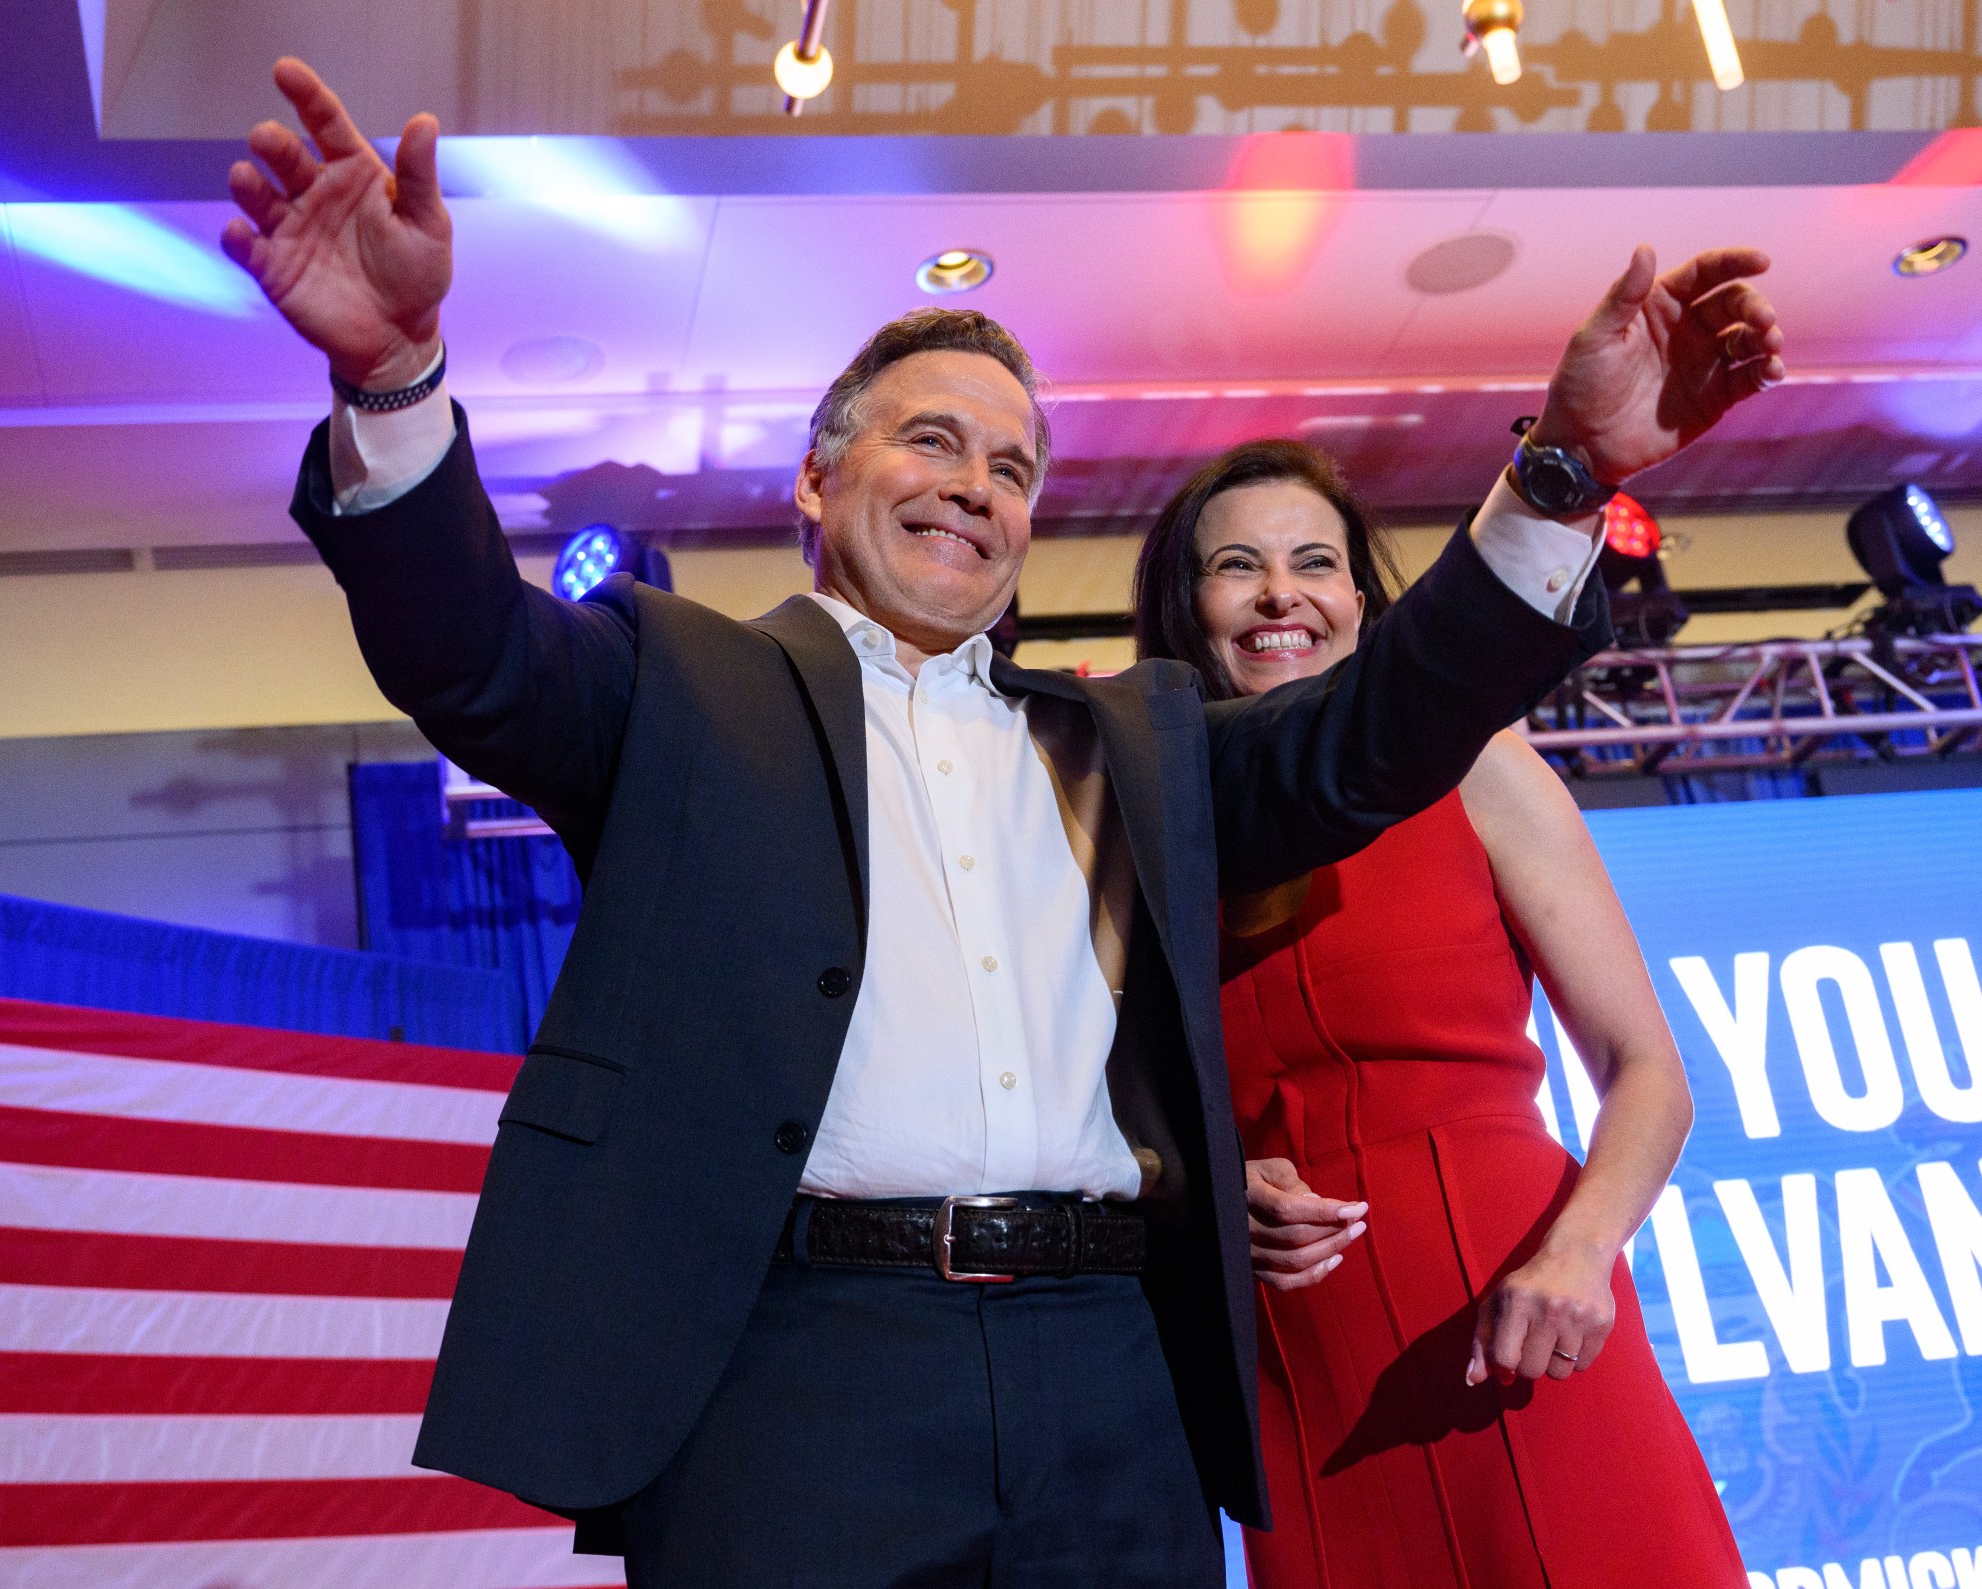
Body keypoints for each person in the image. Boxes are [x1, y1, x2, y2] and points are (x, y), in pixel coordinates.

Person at [219, 56, 1783, 1587]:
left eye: (1017, 466)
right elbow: (467, 650)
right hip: (798, 1387)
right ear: (816, 480)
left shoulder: (1130, 740)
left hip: (1112, 1380)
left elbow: (1386, 730)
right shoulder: (677, 688)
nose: (978, 484)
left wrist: (1566, 469)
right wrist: (391, 379)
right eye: (933, 440)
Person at [1133, 439, 1749, 1587]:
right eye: (1237, 566)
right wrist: (1206, 1181)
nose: (1281, 593)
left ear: (1362, 601)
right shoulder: (1134, 821)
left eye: (1315, 561)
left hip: (1516, 1316)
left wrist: (1578, 1254)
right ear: (1186, 607)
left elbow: (1648, 1069)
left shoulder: (1483, 766)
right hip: (1298, 1363)